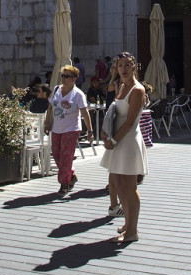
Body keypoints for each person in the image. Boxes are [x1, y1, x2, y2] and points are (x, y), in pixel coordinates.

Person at [101, 52, 147, 243]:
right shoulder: (121, 86)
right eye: (120, 65)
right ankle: (128, 223)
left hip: (127, 141)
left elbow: (129, 122)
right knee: (118, 184)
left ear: (134, 67)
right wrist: (106, 134)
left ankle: (132, 231)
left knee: (129, 186)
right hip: (118, 141)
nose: (124, 69)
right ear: (116, 68)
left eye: (128, 65)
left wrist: (113, 140)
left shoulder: (137, 89)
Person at [45, 65, 91, 195]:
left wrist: (90, 130)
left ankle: (64, 183)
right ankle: (71, 175)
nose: (64, 79)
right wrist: (47, 123)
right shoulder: (56, 89)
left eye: (67, 76)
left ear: (75, 78)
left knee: (66, 157)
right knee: (57, 154)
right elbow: (50, 107)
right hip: (57, 128)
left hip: (71, 128)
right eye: (63, 76)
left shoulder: (78, 94)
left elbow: (85, 113)